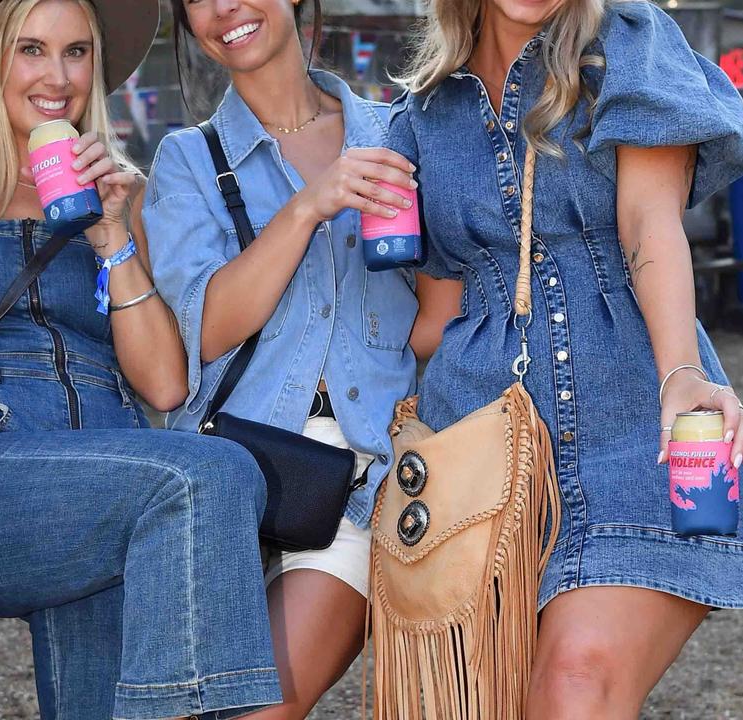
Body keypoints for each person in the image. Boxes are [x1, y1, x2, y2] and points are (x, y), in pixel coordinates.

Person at [0, 1, 282, 718]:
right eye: (32, 49)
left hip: (114, 480)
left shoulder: (129, 195)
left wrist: (111, 231)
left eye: (77, 52)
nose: (58, 76)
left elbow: (165, 382)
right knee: (214, 474)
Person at [388, 1, 743, 716]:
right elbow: (437, 316)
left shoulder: (630, 47)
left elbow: (650, 220)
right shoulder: (420, 109)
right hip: (478, 450)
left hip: (634, 426)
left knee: (574, 685)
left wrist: (683, 372)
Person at [142, 0, 439, 716]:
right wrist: (308, 206)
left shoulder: (403, 133)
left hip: (361, 483)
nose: (225, 9)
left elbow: (438, 324)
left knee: (261, 706)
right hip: (224, 473)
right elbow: (206, 330)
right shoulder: (188, 159)